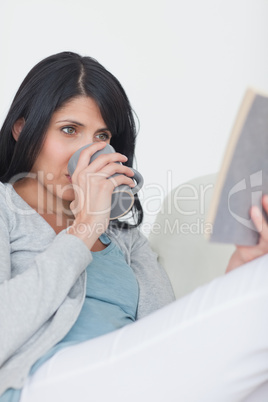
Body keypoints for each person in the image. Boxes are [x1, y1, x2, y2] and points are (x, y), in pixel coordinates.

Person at [0, 51, 267, 402]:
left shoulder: (125, 238)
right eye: (69, 129)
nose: (87, 151)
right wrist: (84, 229)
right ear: (23, 129)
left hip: (127, 381)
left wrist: (239, 276)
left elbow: (168, 336)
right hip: (39, 380)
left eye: (101, 137)